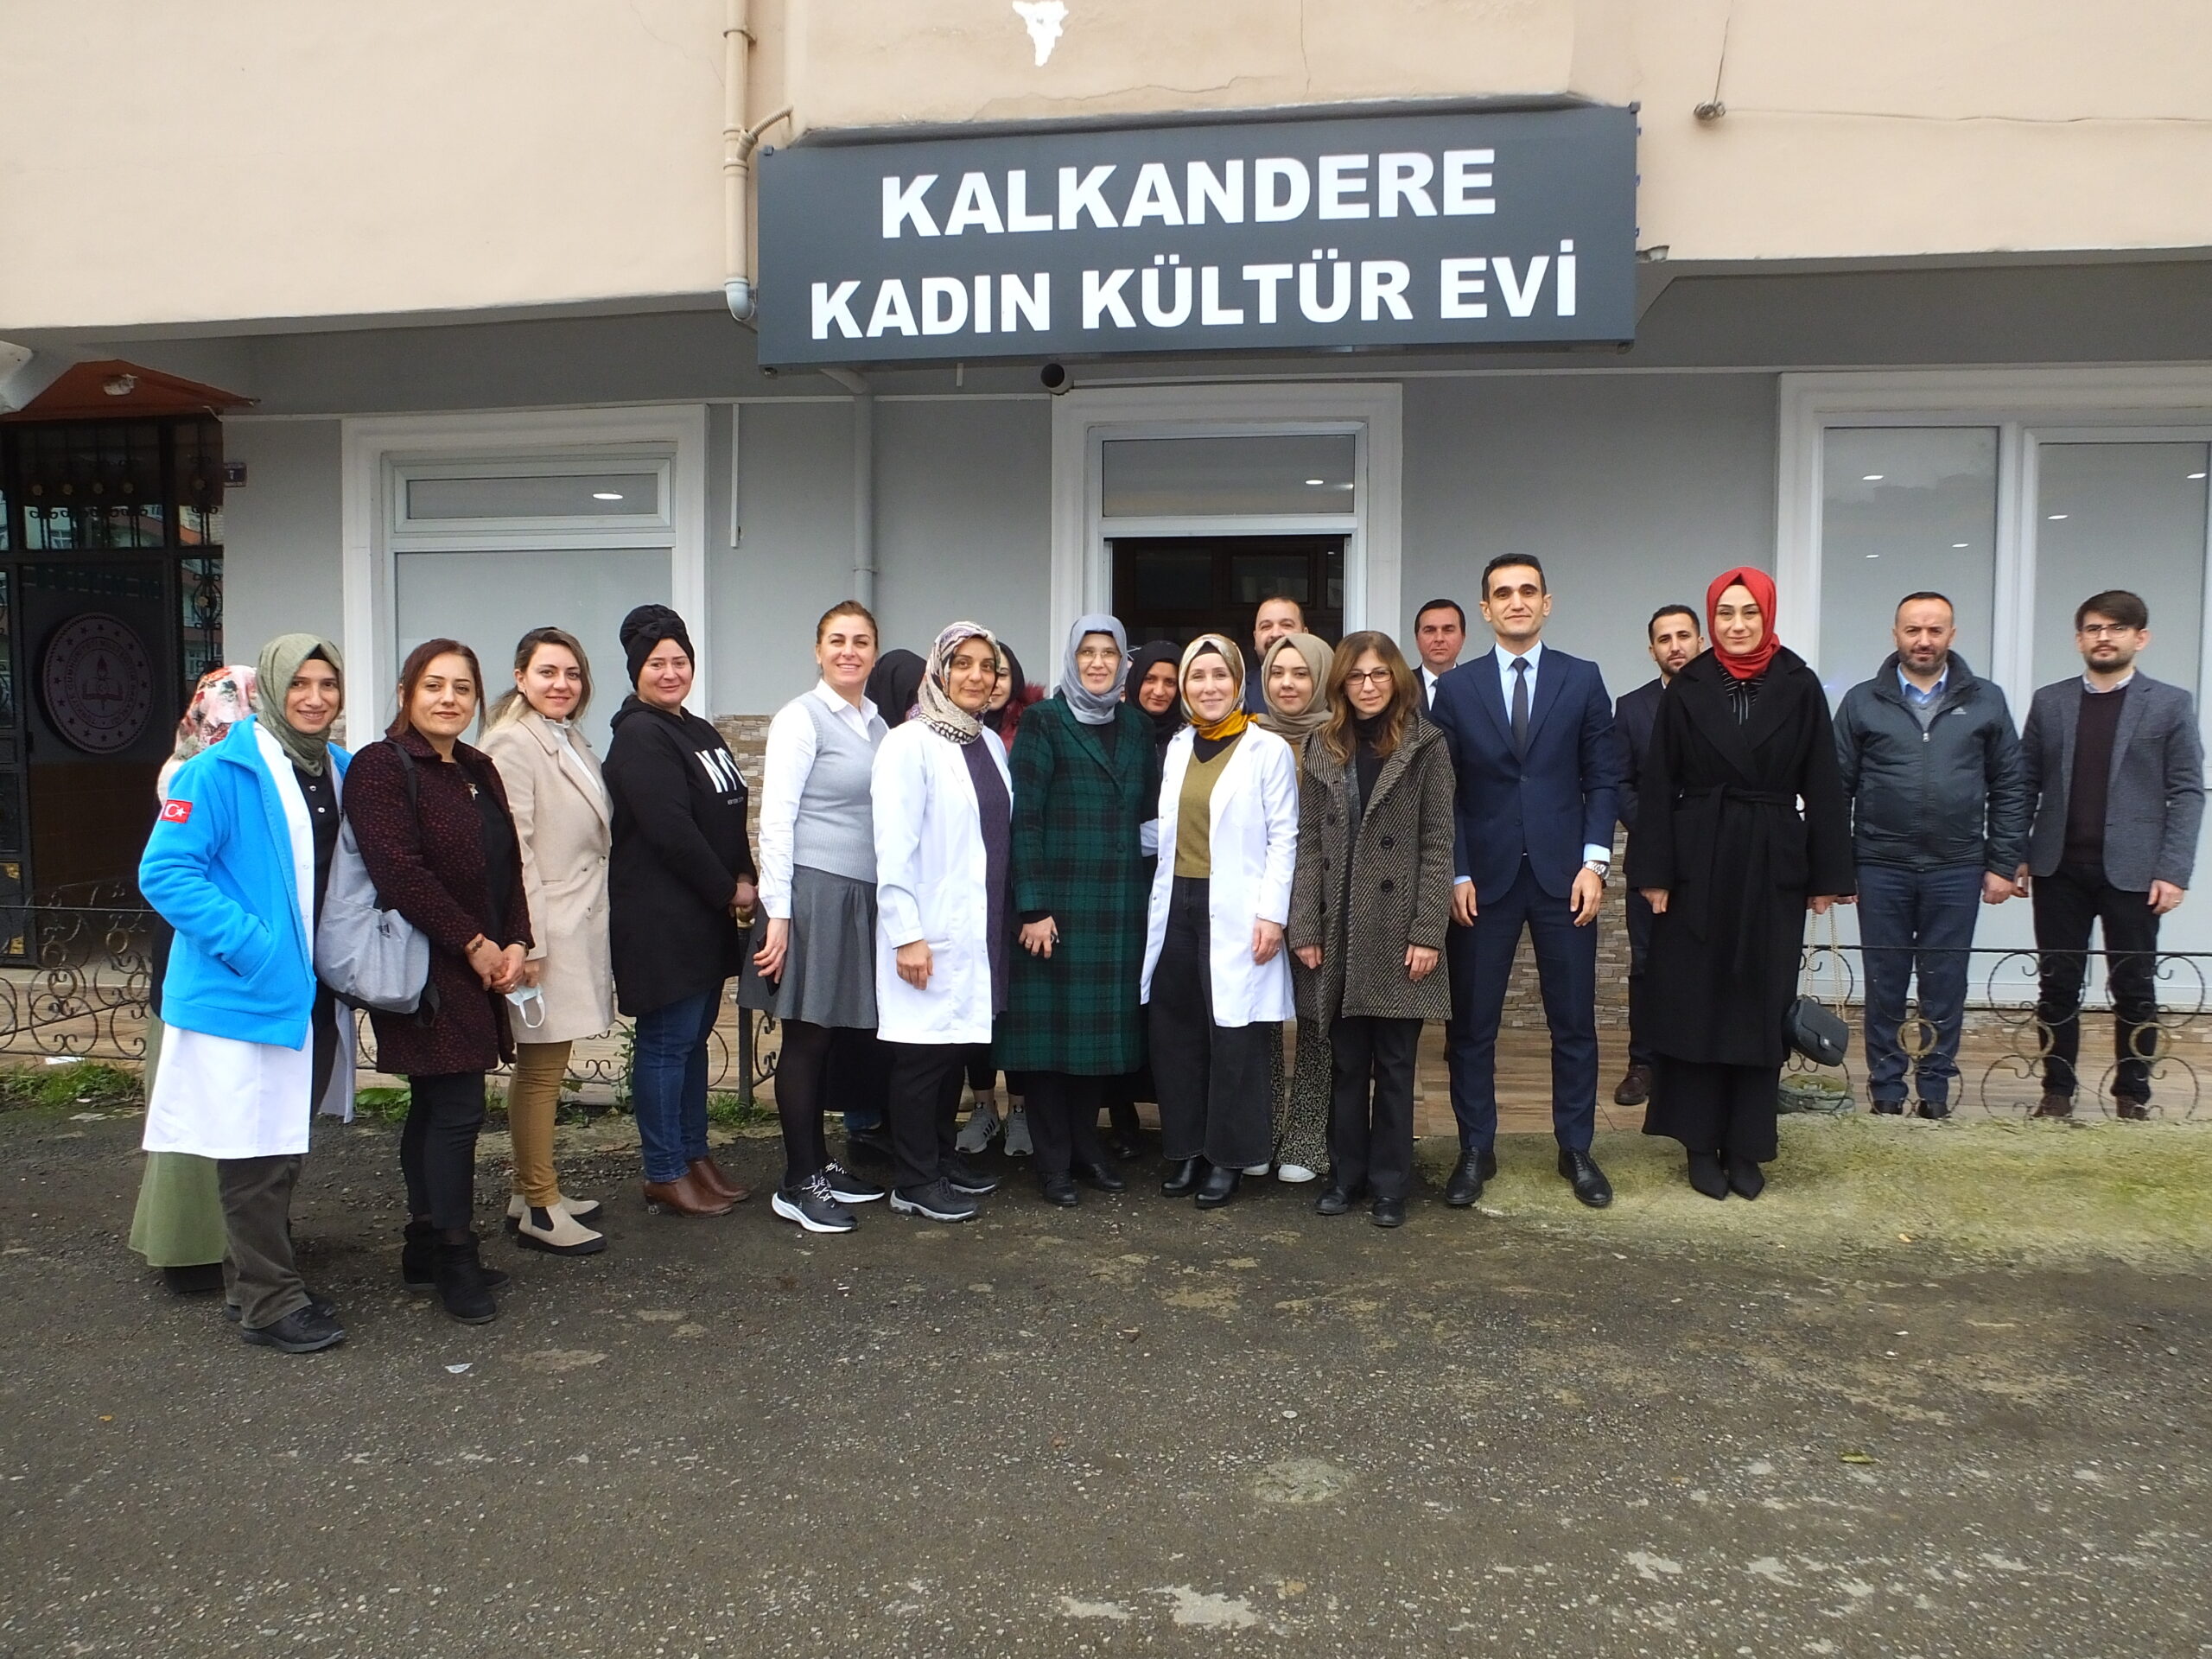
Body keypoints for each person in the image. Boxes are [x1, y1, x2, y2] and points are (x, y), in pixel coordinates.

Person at [139, 637, 353, 1353]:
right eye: (300, 683)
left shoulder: (338, 767)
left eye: (328, 684)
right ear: (269, 690)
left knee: (283, 1145)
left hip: (311, 992)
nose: (315, 697)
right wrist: (253, 945)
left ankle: (252, 1283)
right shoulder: (217, 770)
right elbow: (166, 873)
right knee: (254, 1154)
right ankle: (269, 1303)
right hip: (246, 990)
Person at [1629, 569, 1853, 1198]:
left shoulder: (1799, 684)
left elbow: (1825, 782)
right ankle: (1700, 1144)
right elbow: (1658, 782)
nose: (1736, 624)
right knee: (1697, 1001)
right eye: (1726, 613)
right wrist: (1654, 873)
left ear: (1767, 615)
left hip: (1772, 859)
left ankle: (1748, 1145)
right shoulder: (1689, 686)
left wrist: (1827, 874)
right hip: (1697, 861)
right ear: (1712, 620)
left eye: (1749, 612)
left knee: (1759, 1003)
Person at [1427, 555, 1624, 1210]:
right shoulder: (1458, 689)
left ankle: (1577, 1148)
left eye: (1527, 591)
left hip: (1564, 878)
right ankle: (1475, 1149)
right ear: (1485, 609)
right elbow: (1445, 790)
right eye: (1503, 593)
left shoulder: (1582, 677)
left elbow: (1603, 778)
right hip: (1482, 881)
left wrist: (1595, 864)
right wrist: (1455, 869)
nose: (1516, 602)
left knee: (1574, 1024)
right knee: (1472, 1027)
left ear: (1546, 603)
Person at [346, 639, 533, 1323]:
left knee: (434, 1106)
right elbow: (398, 871)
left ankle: (424, 1244)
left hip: (481, 958)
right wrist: (473, 943)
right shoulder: (381, 766)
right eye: (433, 685)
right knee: (456, 1108)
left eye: (462, 687)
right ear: (406, 694)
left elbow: (509, 865)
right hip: (425, 963)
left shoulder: (479, 767)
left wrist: (517, 940)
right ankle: (455, 1255)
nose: (449, 699)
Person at [1834, 593, 2028, 1120]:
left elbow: (2010, 785)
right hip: (1880, 866)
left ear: (1952, 635)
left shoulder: (1986, 700)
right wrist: (1838, 867)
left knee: (1945, 984)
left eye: (1935, 630)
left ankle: (1936, 1091)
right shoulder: (1861, 701)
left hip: (1957, 867)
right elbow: (1836, 788)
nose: (1923, 640)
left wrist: (2002, 863)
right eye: (1913, 630)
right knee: (1885, 983)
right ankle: (1887, 1091)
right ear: (1895, 634)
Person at [2016, 589, 2204, 1120]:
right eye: (2094, 628)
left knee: (2134, 987)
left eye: (2116, 629)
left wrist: (2173, 870)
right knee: (2057, 985)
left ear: (2140, 638)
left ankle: (2132, 1096)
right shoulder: (2050, 702)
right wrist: (2015, 851)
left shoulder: (2169, 703)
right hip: (2058, 868)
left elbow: (2187, 791)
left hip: (2136, 873)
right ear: (2079, 638)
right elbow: (2024, 782)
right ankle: (2057, 1094)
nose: (2104, 638)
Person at [1290, 633, 1455, 1227]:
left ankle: (1389, 1186)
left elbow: (1438, 845)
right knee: (1345, 1065)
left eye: (1378, 675)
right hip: (1338, 929)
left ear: (1396, 680)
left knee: (1395, 1068)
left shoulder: (1426, 746)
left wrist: (1428, 931)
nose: (1367, 686)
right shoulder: (1322, 745)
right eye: (1356, 676)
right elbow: (1309, 843)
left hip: (1397, 929)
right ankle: (1345, 1178)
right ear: (1341, 683)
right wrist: (1304, 924)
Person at [741, 601, 892, 1234]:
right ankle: (798, 1182)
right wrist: (779, 914)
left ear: (874, 652)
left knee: (832, 1039)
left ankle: (820, 1163)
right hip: (812, 893)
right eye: (837, 640)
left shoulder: (877, 724)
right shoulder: (800, 718)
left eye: (860, 641)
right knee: (807, 1038)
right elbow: (776, 820)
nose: (848, 651)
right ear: (818, 650)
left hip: (860, 894)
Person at [995, 614, 1156, 1205]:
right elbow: (1025, 819)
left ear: (1123, 662)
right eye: (1086, 652)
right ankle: (1053, 1163)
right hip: (1054, 906)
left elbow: (1149, 814)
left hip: (1116, 905)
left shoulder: (1137, 727)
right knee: (1047, 1046)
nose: (1097, 663)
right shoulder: (1044, 721)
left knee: (1096, 1040)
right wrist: (1032, 906)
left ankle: (1087, 1147)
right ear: (1072, 657)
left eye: (1108, 653)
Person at [602, 604, 757, 1217]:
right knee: (667, 1044)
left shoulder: (695, 729)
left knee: (692, 1043)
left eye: (680, 661)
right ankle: (664, 1169)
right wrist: (728, 889)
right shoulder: (640, 735)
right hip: (661, 920)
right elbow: (670, 829)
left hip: (702, 917)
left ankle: (695, 1156)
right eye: (656, 663)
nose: (670, 673)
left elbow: (728, 811)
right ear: (636, 670)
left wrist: (744, 872)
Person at [1142, 634, 1298, 1208]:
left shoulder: (1267, 749)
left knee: (1234, 1037)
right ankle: (1186, 1149)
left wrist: (1272, 915)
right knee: (1177, 1032)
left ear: (1238, 682)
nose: (1208, 687)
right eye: (1197, 676)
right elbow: (1164, 830)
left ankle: (1229, 1157)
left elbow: (1285, 837)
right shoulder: (1179, 746)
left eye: (1220, 676)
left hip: (1236, 907)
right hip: (1177, 903)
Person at [478, 626, 613, 1256]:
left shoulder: (566, 735)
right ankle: (539, 1203)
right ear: (520, 677)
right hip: (546, 927)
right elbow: (515, 849)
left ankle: (526, 1191)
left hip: (575, 918)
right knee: (539, 1072)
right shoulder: (512, 741)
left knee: (545, 1068)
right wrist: (525, 942)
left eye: (572, 674)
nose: (562, 684)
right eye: (548, 673)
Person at [873, 622, 1012, 1222]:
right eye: (964, 664)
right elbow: (893, 847)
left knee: (953, 1052)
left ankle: (940, 1158)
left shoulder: (989, 743)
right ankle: (913, 1180)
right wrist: (907, 934)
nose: (977, 676)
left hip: (977, 929)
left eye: (988, 665)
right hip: (927, 930)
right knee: (921, 1061)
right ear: (939, 671)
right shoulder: (908, 744)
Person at [130, 663, 259, 1298]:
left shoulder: (191, 770)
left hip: (211, 964)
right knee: (190, 1113)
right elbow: (174, 876)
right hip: (199, 964)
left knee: (219, 1108)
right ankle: (188, 1249)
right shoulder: (197, 777)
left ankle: (223, 1241)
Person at [1610, 604, 1704, 1109]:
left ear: (1700, 641)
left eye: (1683, 636)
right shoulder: (1631, 707)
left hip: (1710, 858)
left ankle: (1694, 1066)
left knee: (1703, 963)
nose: (1675, 646)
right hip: (1650, 857)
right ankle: (1643, 1063)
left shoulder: (1725, 700)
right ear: (1652, 650)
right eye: (1664, 639)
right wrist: (1656, 833)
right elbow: (1619, 781)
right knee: (1647, 964)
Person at [1255, 630, 1335, 1184]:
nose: (1288, 683)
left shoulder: (1339, 740)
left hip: (1321, 900)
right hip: (1257, 898)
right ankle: (1258, 1131)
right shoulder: (1246, 736)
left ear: (1322, 677)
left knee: (1315, 1020)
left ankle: (1307, 1138)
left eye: (1301, 673)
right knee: (1258, 1019)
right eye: (1278, 673)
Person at [959, 641, 1038, 1156]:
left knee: (1017, 1008)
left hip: (1017, 887)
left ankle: (1021, 1112)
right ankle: (983, 1107)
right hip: (973, 890)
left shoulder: (1032, 729)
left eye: (999, 672)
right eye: (979, 669)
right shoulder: (954, 735)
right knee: (976, 1006)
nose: (990, 680)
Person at [1243, 594, 1306, 711]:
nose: (1276, 634)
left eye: (1286, 625)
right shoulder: (1238, 690)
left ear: (1305, 634)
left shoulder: (1330, 688)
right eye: (1266, 627)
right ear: (1255, 637)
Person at [1411, 599, 1467, 709]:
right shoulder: (1400, 687)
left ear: (1463, 637)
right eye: (1430, 631)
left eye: (1448, 630)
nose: (1439, 639)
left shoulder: (1476, 688)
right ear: (1417, 639)